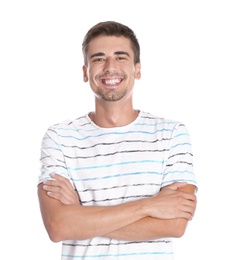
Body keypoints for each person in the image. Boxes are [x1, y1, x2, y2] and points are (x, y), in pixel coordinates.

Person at [37, 21, 197, 260]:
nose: (110, 67)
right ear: (85, 72)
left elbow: (174, 224)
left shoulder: (171, 133)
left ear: (137, 69)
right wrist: (149, 207)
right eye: (99, 58)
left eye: (121, 57)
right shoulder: (60, 137)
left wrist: (81, 215)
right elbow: (58, 226)